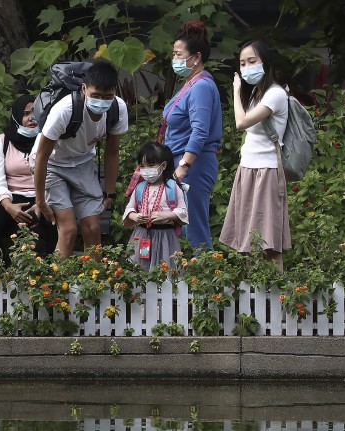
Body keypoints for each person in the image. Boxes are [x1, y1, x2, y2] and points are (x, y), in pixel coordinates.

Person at [33, 58, 129, 257]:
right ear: (84, 89)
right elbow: (42, 156)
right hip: (52, 165)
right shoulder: (65, 110)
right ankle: (58, 285)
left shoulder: (118, 109)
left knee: (93, 228)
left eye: (107, 96)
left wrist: (110, 194)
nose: (101, 101)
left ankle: (93, 283)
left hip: (83, 162)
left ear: (115, 93)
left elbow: (112, 152)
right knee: (68, 230)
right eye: (96, 95)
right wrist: (41, 200)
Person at [220, 40, 291, 271]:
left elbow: (241, 122)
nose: (246, 67)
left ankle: (278, 298)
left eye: (252, 61)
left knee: (269, 244)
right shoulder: (255, 96)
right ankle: (256, 300)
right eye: (242, 63)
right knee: (250, 242)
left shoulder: (275, 94)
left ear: (265, 63)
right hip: (247, 170)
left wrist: (235, 89)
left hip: (267, 172)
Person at [165, 21, 223, 251]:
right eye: (173, 54)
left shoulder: (200, 87)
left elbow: (200, 131)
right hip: (180, 162)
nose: (175, 59)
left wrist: (184, 166)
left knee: (194, 227)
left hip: (192, 166)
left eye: (178, 54)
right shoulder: (189, 83)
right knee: (180, 226)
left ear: (196, 57)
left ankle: (207, 280)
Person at [0, 94, 56, 257]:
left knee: (54, 223)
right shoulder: (2, 141)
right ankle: (0, 267)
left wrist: (40, 203)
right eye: (26, 113)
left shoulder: (49, 140)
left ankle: (50, 273)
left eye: (35, 113)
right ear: (16, 116)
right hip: (11, 198)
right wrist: (9, 207)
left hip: (43, 196)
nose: (31, 118)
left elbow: (54, 176)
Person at [122, 141, 189, 270]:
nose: (146, 170)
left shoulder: (172, 187)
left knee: (165, 269)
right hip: (142, 235)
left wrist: (167, 215)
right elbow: (130, 208)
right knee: (139, 269)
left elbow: (183, 211)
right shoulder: (140, 188)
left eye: (151, 165)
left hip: (165, 237)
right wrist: (135, 216)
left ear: (163, 166)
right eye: (142, 166)